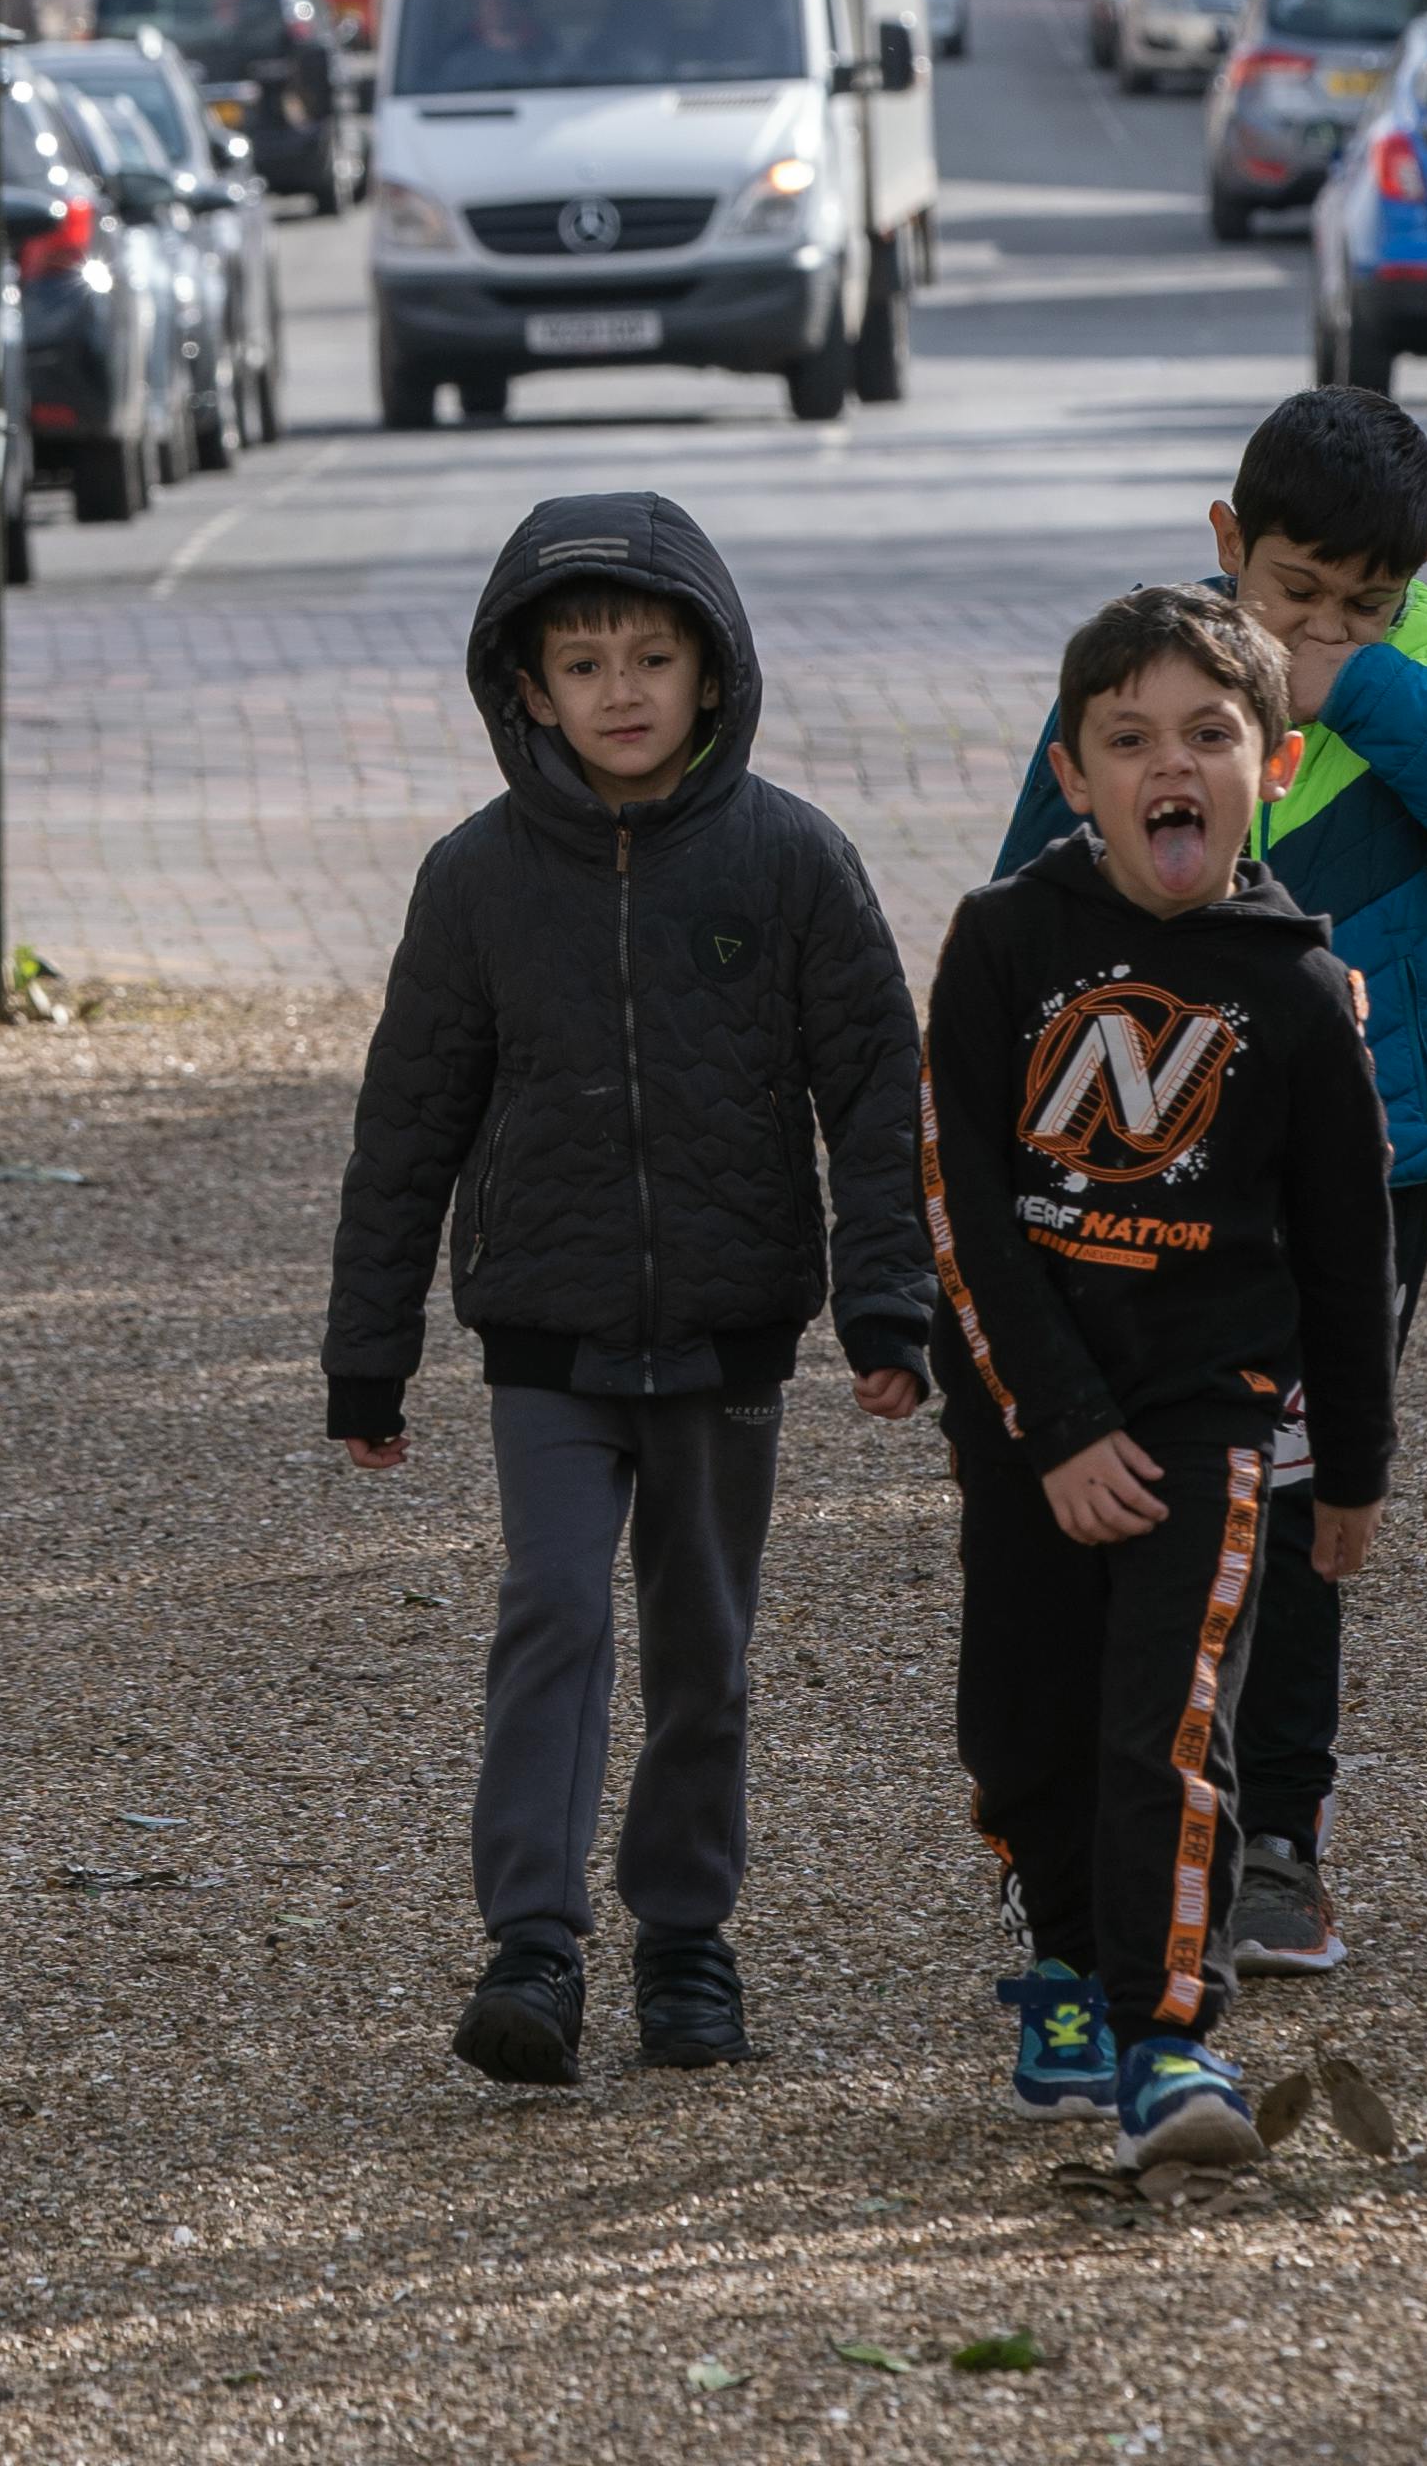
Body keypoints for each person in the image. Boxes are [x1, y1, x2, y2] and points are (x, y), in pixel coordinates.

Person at [324, 495, 933, 2087]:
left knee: (703, 1637)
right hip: (546, 1327)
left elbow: (876, 1089)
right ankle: (531, 1944)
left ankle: (686, 1941)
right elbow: (410, 1121)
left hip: (729, 1326)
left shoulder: (793, 860)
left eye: (652, 656)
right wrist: (366, 1358)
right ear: (524, 687)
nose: (620, 690)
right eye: (582, 661)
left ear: (713, 673)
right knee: (552, 1606)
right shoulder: (475, 881)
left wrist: (888, 1310)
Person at [983, 387, 1427, 1979]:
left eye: (1362, 603)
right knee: (1165, 1490)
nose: (1319, 627)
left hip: (1362, 1167)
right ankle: (1141, 1825)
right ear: (1228, 544)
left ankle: (1279, 1839)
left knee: (1312, 1495)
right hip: (1149, 1167)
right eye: (1295, 592)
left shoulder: (1415, 673)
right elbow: (1025, 887)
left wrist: (1370, 685)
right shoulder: (1158, 681)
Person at [924, 585, 1401, 2176]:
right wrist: (1053, 1425)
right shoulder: (1002, 942)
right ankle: (1063, 1958)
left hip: (1213, 1413)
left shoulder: (1302, 990)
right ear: (1074, 776)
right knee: (1024, 1731)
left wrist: (1350, 1473)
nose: (1167, 766)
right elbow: (961, 1207)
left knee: (1168, 1728)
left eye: (1208, 736)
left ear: (1274, 764)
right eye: (1129, 741)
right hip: (1029, 1410)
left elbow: (1350, 1252)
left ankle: (1166, 2034)